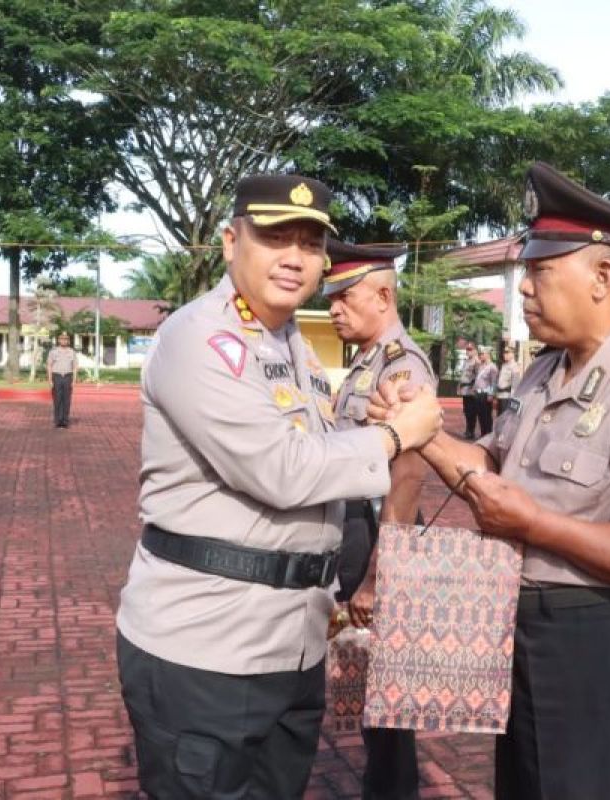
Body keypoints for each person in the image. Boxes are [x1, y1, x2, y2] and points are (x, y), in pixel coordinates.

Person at [372, 161, 610, 799]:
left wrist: (535, 525)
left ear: (601, 275)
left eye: (539, 272)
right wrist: (422, 434)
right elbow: (493, 468)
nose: (525, 293)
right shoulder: (546, 373)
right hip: (531, 635)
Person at [114, 174, 442, 800]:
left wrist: (375, 412)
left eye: (310, 243)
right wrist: (394, 437)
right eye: (275, 238)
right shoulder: (201, 337)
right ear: (230, 241)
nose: (294, 257)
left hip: (290, 649)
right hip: (207, 651)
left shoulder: (292, 346)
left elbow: (320, 449)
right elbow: (282, 468)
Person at [324, 238, 431, 800]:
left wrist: (375, 577)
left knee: (387, 702)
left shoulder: (402, 366)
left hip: (375, 541)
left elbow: (407, 478)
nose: (335, 308)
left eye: (345, 296)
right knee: (369, 693)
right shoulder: (367, 362)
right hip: (354, 535)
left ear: (384, 295)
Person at [47, 332, 78, 428]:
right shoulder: (53, 352)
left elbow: (75, 367)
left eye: (66, 339)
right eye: (62, 339)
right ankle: (58, 421)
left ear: (68, 341)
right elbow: (49, 366)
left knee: (66, 400)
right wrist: (50, 380)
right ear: (58, 340)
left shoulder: (72, 352)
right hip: (57, 377)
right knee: (57, 399)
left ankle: (65, 421)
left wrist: (74, 380)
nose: (64, 341)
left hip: (68, 377)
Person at [472, 345, 499, 436]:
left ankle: (488, 434)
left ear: (488, 355)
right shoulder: (481, 366)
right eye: (480, 354)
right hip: (478, 394)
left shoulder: (492, 367)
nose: (480, 355)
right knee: (480, 415)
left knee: (486, 416)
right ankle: (483, 433)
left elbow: (494, 382)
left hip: (485, 394)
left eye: (482, 354)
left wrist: (491, 395)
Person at [458, 341, 479, 439]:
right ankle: (468, 429)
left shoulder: (476, 362)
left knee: (471, 411)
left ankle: (471, 431)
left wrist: (474, 387)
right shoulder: (466, 361)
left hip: (471, 390)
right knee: (466, 411)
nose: (468, 351)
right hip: (465, 390)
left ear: (475, 351)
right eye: (467, 349)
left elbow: (478, 376)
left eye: (470, 349)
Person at [495, 345, 523, 419]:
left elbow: (516, 384)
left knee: (505, 419)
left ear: (512, 354)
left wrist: (513, 399)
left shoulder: (515, 366)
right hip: (500, 395)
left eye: (507, 352)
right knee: (499, 417)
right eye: (504, 352)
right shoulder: (504, 365)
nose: (505, 354)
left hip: (507, 397)